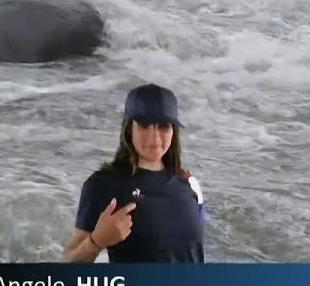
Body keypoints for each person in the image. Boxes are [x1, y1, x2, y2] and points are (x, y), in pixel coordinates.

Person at [61, 83, 206, 263]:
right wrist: (95, 242)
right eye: (144, 125)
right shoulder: (104, 184)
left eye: (163, 126)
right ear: (129, 128)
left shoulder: (188, 183)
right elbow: (66, 265)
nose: (155, 138)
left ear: (173, 130)